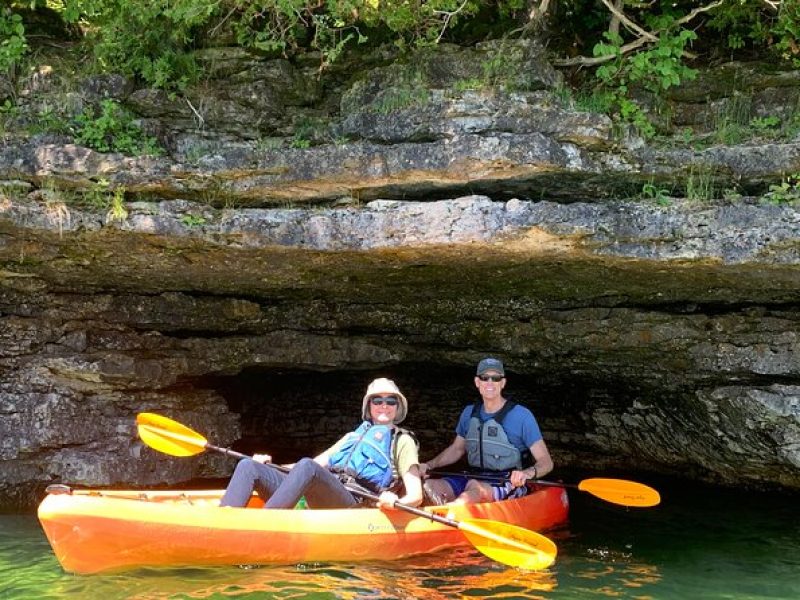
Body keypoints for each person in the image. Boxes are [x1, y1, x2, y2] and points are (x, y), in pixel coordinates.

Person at [219, 377, 423, 510]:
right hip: (322, 495)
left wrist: (395, 502)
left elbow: (416, 496)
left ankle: (266, 523)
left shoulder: (402, 441)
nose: (384, 406)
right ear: (369, 407)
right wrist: (266, 465)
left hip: (354, 504)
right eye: (377, 401)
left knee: (309, 466)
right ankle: (224, 521)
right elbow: (307, 468)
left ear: (398, 407)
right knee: (248, 466)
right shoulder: (352, 437)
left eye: (391, 401)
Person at [419, 357, 553, 505]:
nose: (490, 382)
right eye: (484, 378)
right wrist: (429, 465)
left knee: (474, 489)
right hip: (472, 476)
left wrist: (527, 473)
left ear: (503, 383)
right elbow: (457, 449)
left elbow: (546, 462)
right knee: (428, 486)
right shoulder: (469, 413)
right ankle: (439, 515)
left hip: (507, 480)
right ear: (477, 382)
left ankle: (450, 512)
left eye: (495, 378)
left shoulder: (522, 416)